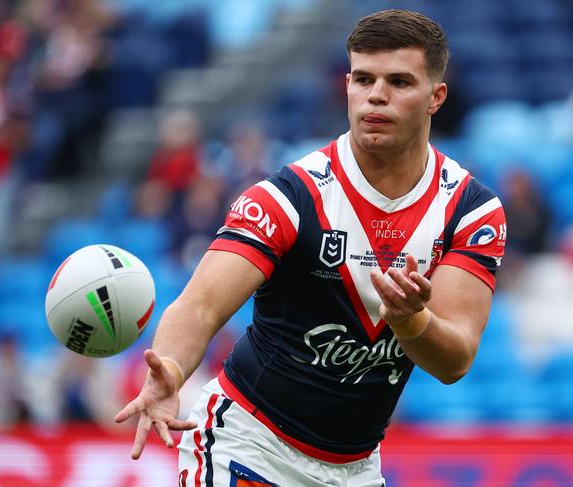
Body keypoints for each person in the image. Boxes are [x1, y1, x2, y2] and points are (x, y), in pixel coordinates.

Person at [115, 10, 507, 486]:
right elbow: (200, 305)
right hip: (248, 444)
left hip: (358, 468)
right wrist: (171, 369)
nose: (376, 95)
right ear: (347, 85)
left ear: (436, 97)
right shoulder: (289, 197)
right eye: (363, 79)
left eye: (399, 82)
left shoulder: (471, 211)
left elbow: (455, 361)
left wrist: (411, 321)